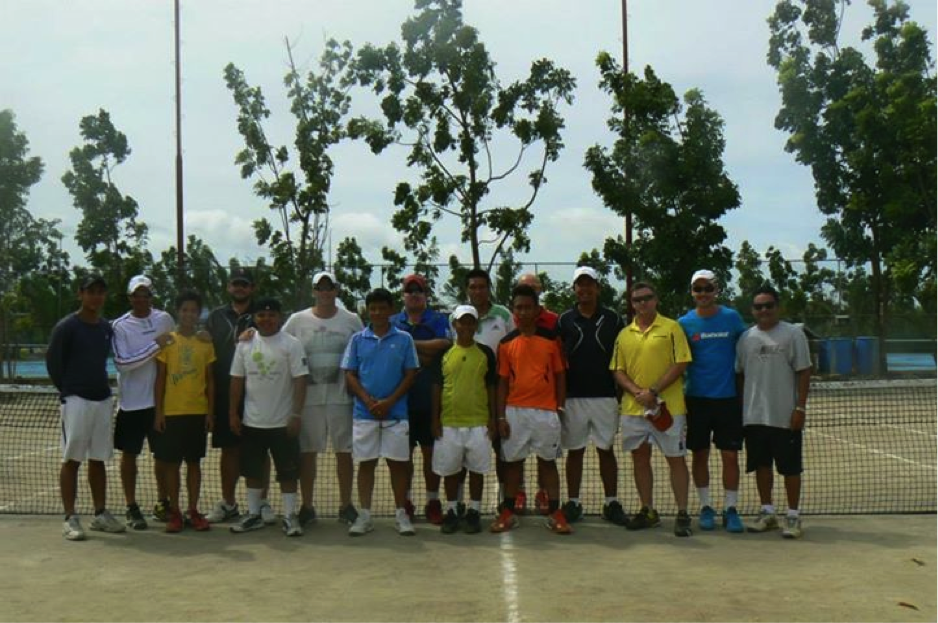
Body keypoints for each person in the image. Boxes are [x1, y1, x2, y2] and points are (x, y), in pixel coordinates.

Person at [610, 281, 694, 537]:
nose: (642, 303)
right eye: (637, 300)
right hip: (634, 410)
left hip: (668, 409)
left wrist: (653, 391)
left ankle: (682, 512)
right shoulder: (625, 334)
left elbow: (681, 363)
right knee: (639, 459)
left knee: (675, 459)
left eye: (646, 298)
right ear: (632, 304)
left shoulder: (672, 328)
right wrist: (638, 393)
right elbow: (617, 370)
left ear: (656, 300)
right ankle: (648, 510)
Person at [47, 274, 126, 540]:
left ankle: (100, 513)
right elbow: (54, 365)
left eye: (100, 292)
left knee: (98, 459)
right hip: (76, 401)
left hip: (103, 399)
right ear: (80, 294)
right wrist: (70, 391)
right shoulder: (66, 327)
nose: (96, 296)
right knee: (72, 459)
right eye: (91, 291)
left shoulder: (105, 327)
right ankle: (70, 517)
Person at [282, 271, 363, 527]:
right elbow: (279, 342)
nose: (325, 292)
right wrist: (250, 335)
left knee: (344, 453)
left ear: (336, 290)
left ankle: (346, 505)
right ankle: (307, 506)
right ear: (314, 291)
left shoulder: (351, 320)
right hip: (309, 400)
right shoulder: (297, 320)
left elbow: (362, 349)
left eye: (330, 288)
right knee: (307, 454)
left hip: (341, 399)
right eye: (320, 288)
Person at [490, 284, 570, 535]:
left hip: (546, 412)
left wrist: (559, 407)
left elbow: (560, 376)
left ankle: (556, 511)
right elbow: (502, 381)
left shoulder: (551, 340)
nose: (523, 312)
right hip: (515, 411)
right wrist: (501, 415)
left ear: (537, 310)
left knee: (548, 462)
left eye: (528, 307)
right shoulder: (505, 343)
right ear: (513, 311)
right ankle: (508, 511)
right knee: (513, 463)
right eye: (518, 308)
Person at [342, 288, 420, 536]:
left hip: (396, 414)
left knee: (398, 465)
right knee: (366, 464)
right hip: (364, 414)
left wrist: (389, 401)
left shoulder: (404, 339)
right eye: (372, 308)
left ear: (391, 310)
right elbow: (349, 374)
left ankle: (401, 514)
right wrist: (367, 400)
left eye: (382, 308)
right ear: (367, 310)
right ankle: (365, 515)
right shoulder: (357, 339)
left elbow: (411, 374)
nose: (377, 313)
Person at [736, 286, 812, 539]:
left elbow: (804, 371)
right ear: (752, 310)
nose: (764, 310)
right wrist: (741, 409)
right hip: (754, 417)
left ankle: (792, 515)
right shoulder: (745, 338)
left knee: (790, 469)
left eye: (769, 305)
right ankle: (767, 512)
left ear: (778, 307)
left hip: (785, 416)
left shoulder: (793, 334)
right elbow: (740, 375)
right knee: (761, 465)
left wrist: (799, 407)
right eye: (759, 306)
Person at [228, 297, 308, 536]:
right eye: (261, 315)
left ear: (279, 317)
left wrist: (295, 414)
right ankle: (254, 514)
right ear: (255, 318)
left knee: (288, 472)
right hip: (252, 422)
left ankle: (290, 516)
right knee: (252, 472)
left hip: (283, 422)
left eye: (271, 315)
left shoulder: (291, 344)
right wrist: (233, 413)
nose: (266, 319)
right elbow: (236, 381)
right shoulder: (244, 345)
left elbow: (300, 380)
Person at [678, 269, 748, 533]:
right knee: (700, 455)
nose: (703, 294)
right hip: (696, 400)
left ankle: (731, 509)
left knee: (730, 456)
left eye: (708, 288)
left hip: (728, 399)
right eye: (698, 289)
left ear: (717, 290)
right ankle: (705, 507)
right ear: (692, 292)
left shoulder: (731, 318)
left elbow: (747, 351)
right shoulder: (684, 323)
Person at [556, 267, 627, 525]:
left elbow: (623, 356)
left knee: (605, 450)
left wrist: (620, 394)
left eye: (590, 284)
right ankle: (573, 503)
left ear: (598, 288)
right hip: (573, 397)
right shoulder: (564, 320)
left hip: (605, 396)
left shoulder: (613, 319)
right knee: (575, 451)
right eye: (579, 285)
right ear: (574, 289)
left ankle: (611, 503)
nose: (584, 289)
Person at [204, 268, 272, 524]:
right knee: (229, 450)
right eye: (236, 283)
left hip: (257, 392)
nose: (240, 288)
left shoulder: (263, 314)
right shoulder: (216, 316)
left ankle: (262, 502)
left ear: (252, 288)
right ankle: (229, 503)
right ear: (229, 287)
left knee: (259, 449)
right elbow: (207, 355)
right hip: (224, 393)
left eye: (245, 284)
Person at [111, 274, 175, 529]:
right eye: (136, 295)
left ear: (151, 296)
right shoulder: (119, 326)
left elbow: (176, 346)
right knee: (129, 456)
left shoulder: (164, 319)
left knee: (163, 457)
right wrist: (155, 346)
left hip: (161, 404)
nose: (140, 299)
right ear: (130, 297)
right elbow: (123, 364)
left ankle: (163, 503)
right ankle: (131, 506)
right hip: (130, 406)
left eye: (145, 294)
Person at [391, 274, 452, 525]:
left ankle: (433, 500)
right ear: (403, 295)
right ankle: (405, 500)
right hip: (401, 401)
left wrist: (408, 345)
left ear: (427, 294)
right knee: (403, 457)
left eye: (419, 290)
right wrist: (424, 352)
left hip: (430, 399)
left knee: (431, 455)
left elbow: (445, 345)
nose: (414, 294)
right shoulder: (393, 321)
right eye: (409, 290)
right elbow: (391, 352)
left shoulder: (439, 319)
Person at [153, 290, 216, 533]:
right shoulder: (167, 341)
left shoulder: (205, 343)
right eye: (184, 310)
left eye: (193, 310)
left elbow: (210, 380)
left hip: (197, 413)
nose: (189, 314)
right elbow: (160, 378)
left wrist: (210, 412)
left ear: (199, 314)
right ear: (177, 312)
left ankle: (193, 510)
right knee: (171, 465)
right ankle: (175, 511)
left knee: (194, 463)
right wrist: (159, 412)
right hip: (172, 413)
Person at [430, 305, 497, 534]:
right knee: (450, 471)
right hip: (449, 422)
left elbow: (491, 387)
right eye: (462, 322)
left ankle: (474, 510)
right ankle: (452, 510)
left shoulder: (486, 353)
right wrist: (435, 420)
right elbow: (437, 388)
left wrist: (494, 418)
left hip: (479, 422)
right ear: (455, 324)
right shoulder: (444, 354)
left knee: (477, 470)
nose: (466, 326)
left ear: (476, 325)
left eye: (470, 322)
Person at [513, 272, 558, 515]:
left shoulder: (553, 320)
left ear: (540, 291)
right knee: (516, 453)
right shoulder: (513, 319)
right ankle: (518, 492)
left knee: (545, 454)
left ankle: (543, 492)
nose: (529, 289)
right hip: (516, 401)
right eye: (524, 286)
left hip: (545, 401)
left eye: (533, 287)